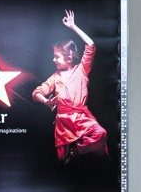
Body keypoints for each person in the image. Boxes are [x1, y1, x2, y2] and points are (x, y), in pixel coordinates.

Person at [32, 9, 108, 164]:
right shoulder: (55, 77)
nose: (53, 59)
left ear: (68, 57)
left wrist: (73, 27)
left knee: (101, 134)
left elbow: (91, 45)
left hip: (81, 118)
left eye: (56, 56)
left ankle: (77, 150)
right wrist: (46, 101)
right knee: (63, 162)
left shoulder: (81, 70)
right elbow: (36, 92)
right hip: (64, 124)